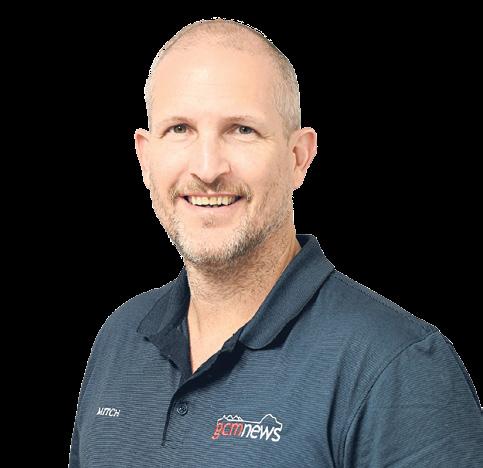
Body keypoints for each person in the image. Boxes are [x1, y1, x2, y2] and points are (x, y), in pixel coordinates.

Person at [68, 18, 483, 467]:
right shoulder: (120, 337)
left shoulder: (397, 366)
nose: (207, 169)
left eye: (241, 129)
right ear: (145, 158)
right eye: (180, 129)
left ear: (298, 157)